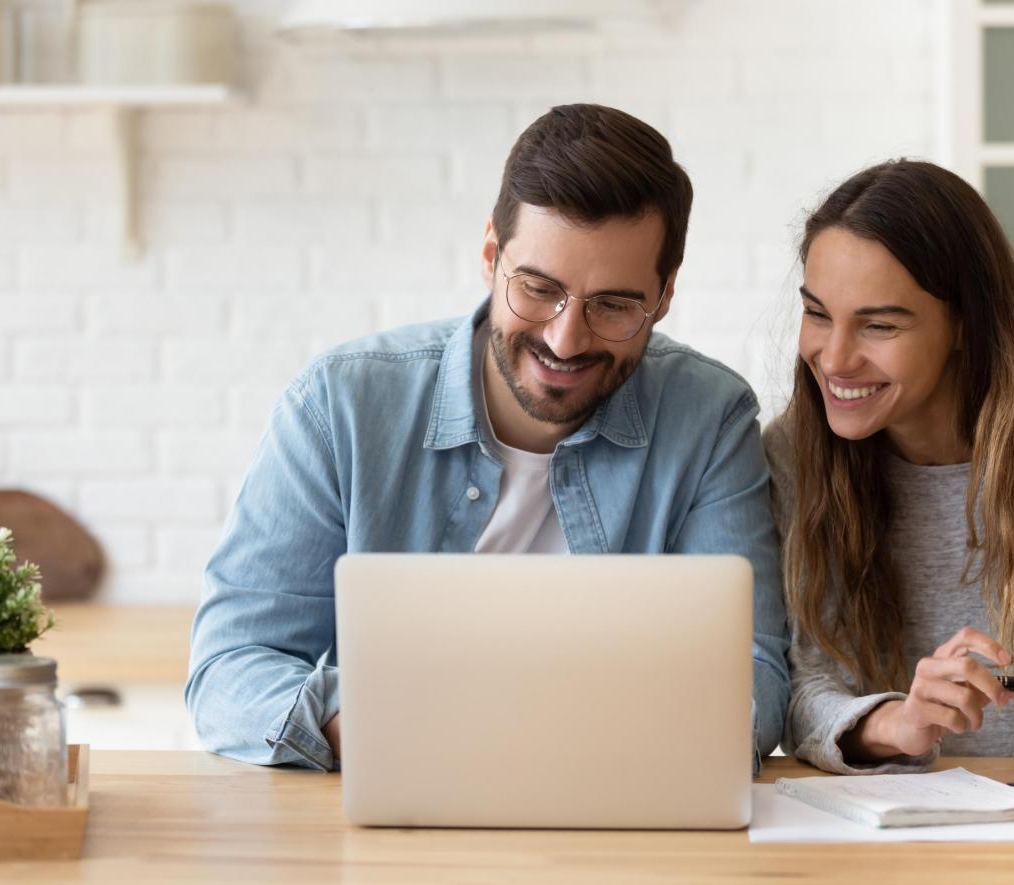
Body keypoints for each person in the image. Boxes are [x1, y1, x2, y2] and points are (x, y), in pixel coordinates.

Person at [185, 104, 790, 771]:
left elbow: (752, 673)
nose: (566, 338)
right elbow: (228, 667)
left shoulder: (710, 419)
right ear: (490, 257)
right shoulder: (340, 405)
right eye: (538, 289)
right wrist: (362, 723)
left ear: (665, 294)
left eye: (613, 305)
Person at [765, 159, 1014, 776]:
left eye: (879, 325)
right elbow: (804, 690)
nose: (833, 357)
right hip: (872, 838)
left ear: (967, 324)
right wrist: (900, 724)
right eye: (817, 313)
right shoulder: (793, 453)